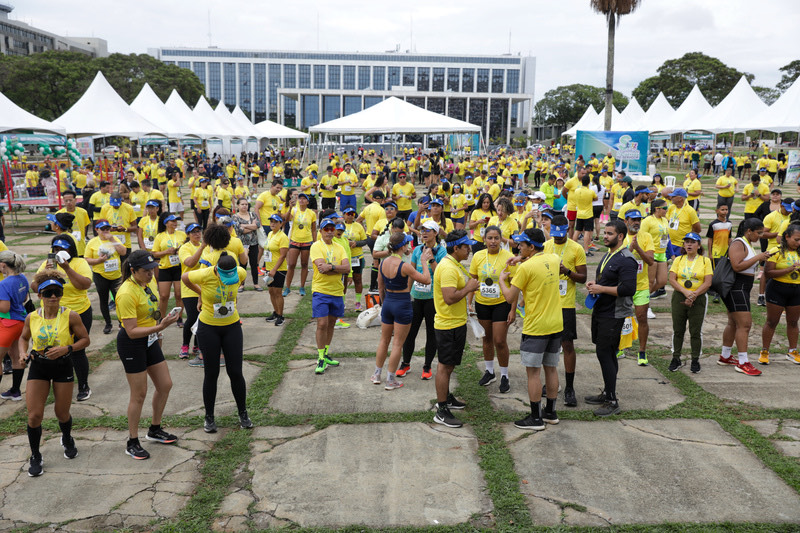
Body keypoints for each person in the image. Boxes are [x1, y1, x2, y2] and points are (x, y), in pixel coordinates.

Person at [18, 270, 90, 476]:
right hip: (39, 366)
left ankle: (67, 438)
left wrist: (66, 349)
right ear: (39, 295)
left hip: (63, 365)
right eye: (48, 293)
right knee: (34, 416)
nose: (53, 297)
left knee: (62, 413)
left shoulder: (70, 315)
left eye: (57, 292)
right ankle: (35, 455)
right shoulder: (32, 317)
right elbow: (23, 338)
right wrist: (23, 353)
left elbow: (85, 340)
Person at [116, 250, 181, 460]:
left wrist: (160, 327)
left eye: (152, 270)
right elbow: (131, 331)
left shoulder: (147, 284)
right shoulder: (126, 293)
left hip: (151, 339)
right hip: (132, 344)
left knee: (165, 384)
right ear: (133, 271)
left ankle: (154, 429)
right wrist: (160, 326)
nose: (151, 274)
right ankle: (132, 441)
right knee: (139, 394)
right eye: (145, 271)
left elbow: (153, 312)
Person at [498, 228, 562, 430]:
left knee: (533, 373)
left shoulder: (526, 269)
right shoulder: (553, 258)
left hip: (536, 327)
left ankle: (535, 418)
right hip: (556, 324)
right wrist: (521, 258)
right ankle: (550, 412)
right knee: (550, 368)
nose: (518, 247)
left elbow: (510, 297)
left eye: (522, 245)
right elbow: (539, 265)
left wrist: (501, 279)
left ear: (531, 247)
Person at [182, 253, 252, 433]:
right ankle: (209, 417)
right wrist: (201, 293)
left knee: (235, 371)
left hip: (232, 327)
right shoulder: (205, 274)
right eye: (225, 275)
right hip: (209, 328)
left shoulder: (241, 272)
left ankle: (243, 413)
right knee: (211, 373)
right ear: (217, 271)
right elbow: (184, 277)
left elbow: (239, 281)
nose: (231, 277)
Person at [584, 220, 637, 416]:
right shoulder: (609, 254)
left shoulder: (626, 259)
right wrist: (596, 284)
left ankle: (612, 401)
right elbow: (608, 280)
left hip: (614, 314)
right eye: (605, 233)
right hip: (602, 309)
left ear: (620, 236)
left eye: (609, 233)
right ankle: (607, 392)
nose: (605, 236)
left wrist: (602, 288)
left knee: (605, 354)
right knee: (605, 353)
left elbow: (628, 289)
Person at [35, 236, 94, 401]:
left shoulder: (79, 263)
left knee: (77, 350)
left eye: (63, 249)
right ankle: (55, 383)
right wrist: (44, 274)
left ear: (71, 250)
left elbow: (84, 285)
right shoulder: (48, 263)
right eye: (55, 249)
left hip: (78, 312)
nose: (59, 252)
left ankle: (83, 386)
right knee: (51, 348)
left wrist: (67, 268)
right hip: (53, 314)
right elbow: (35, 287)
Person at [371, 233, 433, 389]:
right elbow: (426, 279)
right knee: (398, 344)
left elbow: (380, 286)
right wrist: (424, 261)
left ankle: (377, 374)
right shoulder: (404, 265)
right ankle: (390, 380)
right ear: (403, 246)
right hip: (402, 304)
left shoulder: (383, 262)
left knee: (384, 341)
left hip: (388, 303)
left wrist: (385, 304)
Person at [432, 230, 479, 428]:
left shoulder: (455, 264)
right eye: (466, 246)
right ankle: (441, 410)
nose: (469, 249)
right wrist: (468, 288)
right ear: (456, 248)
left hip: (456, 323)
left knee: (450, 365)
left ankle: (447, 396)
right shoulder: (449, 268)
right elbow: (450, 298)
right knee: (444, 366)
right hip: (448, 324)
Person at [543, 215, 587, 407]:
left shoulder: (576, 248)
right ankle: (552, 382)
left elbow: (583, 277)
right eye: (555, 235)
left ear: (568, 230)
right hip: (547, 303)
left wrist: (566, 271)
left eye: (562, 235)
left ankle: (570, 387)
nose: (558, 238)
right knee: (546, 345)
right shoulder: (546, 246)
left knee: (567, 345)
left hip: (566, 304)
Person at [469, 226, 516, 393]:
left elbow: (515, 285)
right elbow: (473, 279)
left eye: (496, 238)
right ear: (484, 240)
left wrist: (513, 309)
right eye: (490, 238)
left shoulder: (509, 257)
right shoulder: (478, 256)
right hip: (482, 303)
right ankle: (489, 372)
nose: (493, 241)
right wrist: (470, 302)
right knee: (486, 339)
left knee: (500, 340)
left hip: (502, 303)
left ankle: (504, 375)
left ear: (501, 239)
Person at [717, 219, 767, 375]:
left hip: (742, 287)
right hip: (736, 287)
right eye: (758, 233)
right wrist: (758, 257)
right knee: (745, 325)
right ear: (749, 231)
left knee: (733, 322)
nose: (761, 236)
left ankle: (725, 356)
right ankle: (743, 362)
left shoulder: (746, 243)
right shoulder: (739, 243)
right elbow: (737, 266)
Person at [398, 220, 447, 380]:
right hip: (416, 297)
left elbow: (440, 274)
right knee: (410, 332)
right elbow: (411, 271)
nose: (424, 233)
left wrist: (431, 259)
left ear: (436, 233)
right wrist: (406, 293)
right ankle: (405, 364)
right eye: (422, 230)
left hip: (432, 298)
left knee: (431, 334)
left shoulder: (441, 251)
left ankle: (427, 366)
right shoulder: (418, 250)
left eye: (428, 230)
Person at [667, 233, 713, 373]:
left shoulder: (705, 261)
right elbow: (672, 279)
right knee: (678, 329)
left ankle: (695, 359)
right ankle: (676, 357)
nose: (689, 244)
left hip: (698, 299)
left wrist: (694, 294)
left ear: (699, 245)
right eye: (686, 242)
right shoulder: (678, 260)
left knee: (695, 330)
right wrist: (685, 292)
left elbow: (708, 282)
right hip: (679, 297)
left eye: (693, 242)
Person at [309, 218, 350, 375]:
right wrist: (337, 269)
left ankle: (325, 354)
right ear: (321, 231)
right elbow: (321, 269)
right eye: (326, 229)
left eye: (332, 229)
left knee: (331, 324)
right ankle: (320, 357)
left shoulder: (340, 247)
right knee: (322, 324)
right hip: (321, 290)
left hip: (337, 291)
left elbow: (347, 268)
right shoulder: (316, 246)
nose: (330, 231)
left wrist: (332, 266)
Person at [760, 223, 800, 366]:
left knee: (794, 322)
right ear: (787, 237)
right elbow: (768, 272)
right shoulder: (775, 251)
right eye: (796, 239)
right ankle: (765, 351)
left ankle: (792, 351)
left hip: (796, 290)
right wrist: (789, 269)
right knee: (772, 322)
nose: (798, 243)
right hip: (777, 289)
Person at [621, 210, 655, 364]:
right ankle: (620, 347)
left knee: (641, 317)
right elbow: (616, 260)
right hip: (623, 285)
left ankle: (642, 351)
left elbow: (650, 261)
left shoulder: (646, 236)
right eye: (633, 219)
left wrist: (638, 248)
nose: (636, 222)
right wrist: (630, 249)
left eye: (638, 219)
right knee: (621, 317)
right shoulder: (620, 236)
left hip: (641, 286)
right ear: (626, 220)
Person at [85, 220, 127, 334]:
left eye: (107, 229)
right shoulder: (92, 242)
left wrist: (112, 240)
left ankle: (121, 322)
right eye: (102, 229)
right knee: (103, 300)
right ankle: (108, 323)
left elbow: (123, 252)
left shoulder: (115, 239)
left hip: (116, 275)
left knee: (119, 300)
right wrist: (98, 260)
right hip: (100, 275)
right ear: (96, 230)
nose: (105, 231)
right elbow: (87, 259)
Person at [0, 251, 29, 401]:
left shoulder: (3, 284)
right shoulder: (23, 278)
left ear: (3, 265)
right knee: (17, 357)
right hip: (21, 322)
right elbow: (24, 298)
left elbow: (4, 308)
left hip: (8, 324)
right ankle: (15, 391)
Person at [152, 214, 186, 324]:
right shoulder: (160, 236)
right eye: (172, 221)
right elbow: (154, 254)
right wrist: (166, 252)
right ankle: (162, 318)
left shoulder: (182, 234)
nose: (175, 223)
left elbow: (187, 247)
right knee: (163, 296)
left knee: (179, 294)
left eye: (176, 221)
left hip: (178, 268)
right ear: (166, 223)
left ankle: (179, 318)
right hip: (165, 268)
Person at [178, 223, 205, 360]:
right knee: (193, 317)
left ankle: (197, 345)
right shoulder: (185, 248)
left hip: (203, 288)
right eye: (193, 232)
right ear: (188, 235)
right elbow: (190, 263)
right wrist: (202, 247)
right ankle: (184, 346)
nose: (196, 234)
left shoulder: (205, 247)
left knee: (202, 318)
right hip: (189, 288)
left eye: (198, 231)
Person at [283, 193, 316, 298]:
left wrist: (314, 242)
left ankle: (302, 287)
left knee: (304, 264)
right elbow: (286, 220)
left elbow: (314, 229)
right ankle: (287, 287)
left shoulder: (311, 213)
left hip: (307, 240)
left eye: (304, 199)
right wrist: (289, 208)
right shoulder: (294, 210)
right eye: (300, 198)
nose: (301, 200)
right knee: (291, 264)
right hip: (294, 240)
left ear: (307, 202)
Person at [263, 214, 289, 326]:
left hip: (279, 269)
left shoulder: (283, 237)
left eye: (275, 222)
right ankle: (275, 311)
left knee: (278, 292)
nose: (272, 224)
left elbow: (283, 255)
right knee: (271, 291)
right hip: (269, 267)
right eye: (271, 221)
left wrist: (274, 269)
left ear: (281, 223)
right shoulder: (270, 234)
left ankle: (280, 315)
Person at [642, 199, 670, 299]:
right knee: (650, 281)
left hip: (662, 253)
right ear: (657, 209)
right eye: (665, 208)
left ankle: (643, 297)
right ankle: (645, 302)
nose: (667, 210)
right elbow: (641, 237)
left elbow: (667, 238)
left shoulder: (665, 220)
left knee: (662, 281)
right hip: (651, 253)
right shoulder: (647, 221)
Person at [231, 198, 261, 291]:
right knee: (242, 264)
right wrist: (252, 226)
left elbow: (258, 225)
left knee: (254, 263)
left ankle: (256, 283)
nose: (245, 206)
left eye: (246, 204)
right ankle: (241, 284)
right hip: (242, 244)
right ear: (238, 206)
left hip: (254, 243)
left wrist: (244, 225)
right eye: (242, 204)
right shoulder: (235, 217)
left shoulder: (253, 214)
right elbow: (239, 230)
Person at [665, 188, 701, 259]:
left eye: (673, 196)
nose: (671, 198)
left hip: (681, 245)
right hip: (669, 243)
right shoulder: (671, 208)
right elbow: (667, 221)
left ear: (680, 199)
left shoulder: (690, 211)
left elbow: (698, 229)